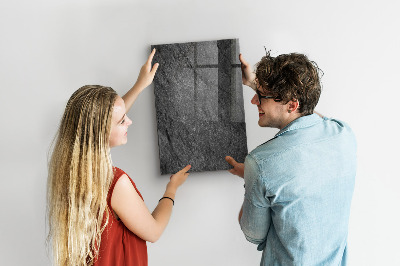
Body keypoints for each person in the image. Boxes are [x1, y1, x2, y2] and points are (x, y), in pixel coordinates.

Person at [47, 49, 191, 266]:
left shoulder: (69, 171)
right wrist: (172, 189)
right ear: (101, 132)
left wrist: (140, 85)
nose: (129, 122)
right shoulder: (115, 183)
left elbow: (104, 120)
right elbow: (153, 231)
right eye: (122, 121)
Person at [226, 51, 357, 265]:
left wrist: (252, 178)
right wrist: (254, 84)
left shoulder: (260, 163)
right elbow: (311, 115)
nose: (253, 100)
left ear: (292, 105)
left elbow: (253, 234)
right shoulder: (344, 135)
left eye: (260, 95)